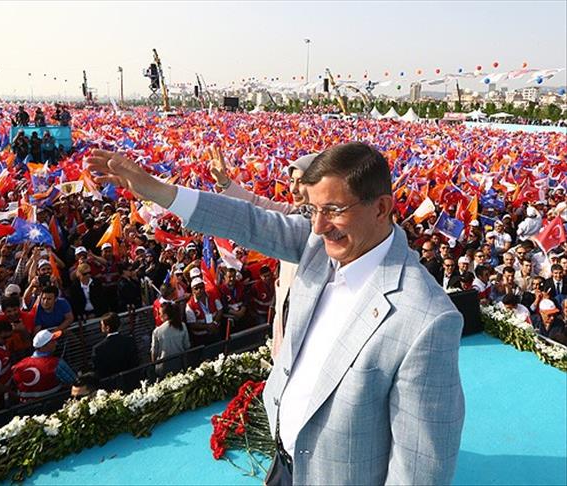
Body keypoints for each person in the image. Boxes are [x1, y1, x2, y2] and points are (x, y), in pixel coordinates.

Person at [88, 142, 465, 485]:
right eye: (314, 211)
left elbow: (420, 470)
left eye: (333, 211)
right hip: (283, 466)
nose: (319, 227)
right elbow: (248, 221)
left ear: (381, 208)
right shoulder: (319, 244)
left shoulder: (426, 320)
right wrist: (158, 190)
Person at [211, 148, 317, 357]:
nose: (293, 188)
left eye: (301, 181)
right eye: (291, 181)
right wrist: (225, 183)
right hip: (286, 322)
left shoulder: (331, 229)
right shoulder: (293, 213)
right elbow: (257, 204)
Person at [12, 329, 76, 402]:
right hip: (55, 402)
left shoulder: (18, 366)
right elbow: (74, 382)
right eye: (52, 341)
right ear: (44, 346)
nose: (56, 343)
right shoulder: (57, 363)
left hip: (26, 407)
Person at [91, 312, 139, 379]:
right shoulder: (129, 341)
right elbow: (135, 362)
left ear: (107, 327)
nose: (101, 327)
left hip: (110, 382)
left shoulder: (98, 349)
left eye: (102, 325)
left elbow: (98, 370)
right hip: (130, 379)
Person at [151, 301, 190, 377]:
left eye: (160, 313)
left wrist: (153, 366)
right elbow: (187, 346)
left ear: (165, 315)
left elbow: (154, 353)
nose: (159, 316)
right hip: (180, 364)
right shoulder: (182, 326)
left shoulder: (157, 331)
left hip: (163, 367)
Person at [184, 277, 224, 346]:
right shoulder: (190, 305)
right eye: (196, 288)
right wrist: (207, 326)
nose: (199, 290)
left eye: (201, 287)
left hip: (216, 330)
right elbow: (192, 324)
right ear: (192, 290)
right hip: (201, 336)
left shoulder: (212, 295)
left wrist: (215, 323)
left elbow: (220, 309)